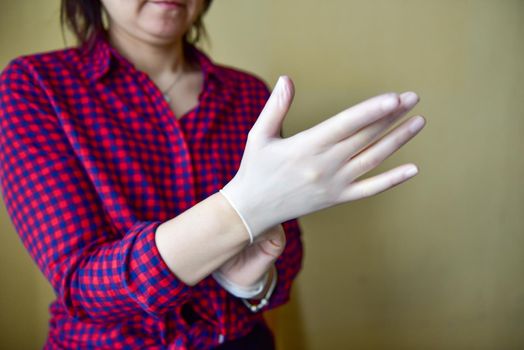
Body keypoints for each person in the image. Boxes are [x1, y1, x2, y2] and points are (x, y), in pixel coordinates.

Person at [0, 0, 425, 349]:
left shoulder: (247, 95)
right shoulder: (35, 87)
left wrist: (253, 281)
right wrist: (237, 211)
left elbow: (287, 251)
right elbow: (82, 285)